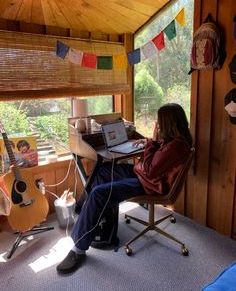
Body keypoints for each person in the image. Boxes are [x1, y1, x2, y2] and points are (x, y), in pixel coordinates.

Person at [56, 103, 193, 275]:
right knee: (102, 171)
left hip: (150, 184)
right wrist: (150, 142)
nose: (157, 123)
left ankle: (78, 249)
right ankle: (94, 219)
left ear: (169, 123)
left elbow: (151, 169)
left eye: (159, 121)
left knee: (99, 192)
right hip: (146, 176)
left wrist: (151, 140)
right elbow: (160, 158)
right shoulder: (177, 141)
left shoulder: (175, 147)